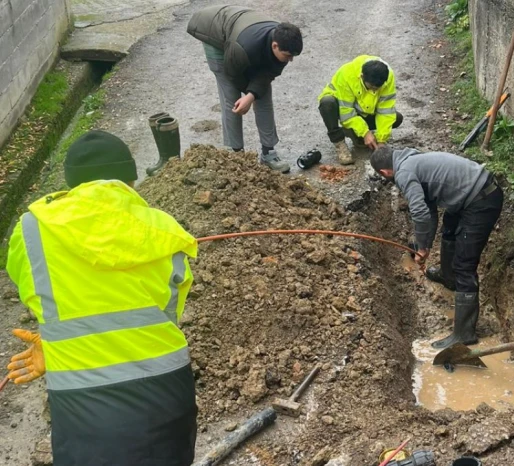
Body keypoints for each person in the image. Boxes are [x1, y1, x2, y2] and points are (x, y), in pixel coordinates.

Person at [5, 130, 199, 466]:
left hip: (84, 407)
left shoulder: (31, 230)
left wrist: (63, 345)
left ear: (71, 185)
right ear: (129, 181)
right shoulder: (166, 231)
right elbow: (165, 317)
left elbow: (34, 292)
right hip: (168, 396)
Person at [370, 147, 503, 348]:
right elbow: (429, 209)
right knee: (449, 228)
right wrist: (426, 245)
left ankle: (464, 334)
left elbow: (420, 213)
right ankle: (448, 278)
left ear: (384, 172)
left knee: (464, 265)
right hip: (470, 194)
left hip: (482, 200)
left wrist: (421, 249)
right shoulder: (411, 159)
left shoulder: (404, 173)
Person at [187, 5, 303, 173]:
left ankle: (268, 152)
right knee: (231, 98)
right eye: (288, 56)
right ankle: (235, 153)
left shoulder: (284, 44)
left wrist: (252, 95)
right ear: (275, 46)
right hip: (216, 32)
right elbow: (233, 75)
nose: (290, 60)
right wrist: (248, 97)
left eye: (293, 56)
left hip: (242, 30)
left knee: (262, 95)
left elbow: (267, 75)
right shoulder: (242, 48)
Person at [319, 55, 403, 165]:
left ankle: (353, 132)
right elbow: (346, 113)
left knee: (396, 118)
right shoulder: (347, 75)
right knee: (327, 103)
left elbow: (385, 111)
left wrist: (382, 140)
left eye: (377, 88)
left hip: (365, 111)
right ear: (362, 76)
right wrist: (365, 133)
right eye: (371, 87)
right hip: (342, 110)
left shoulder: (387, 77)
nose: (374, 90)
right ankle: (339, 142)